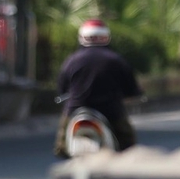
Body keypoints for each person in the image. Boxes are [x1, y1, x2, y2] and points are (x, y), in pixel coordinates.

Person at [55, 19, 141, 156]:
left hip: (75, 109)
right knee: (128, 144)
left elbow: (62, 88)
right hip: (110, 111)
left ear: (82, 37)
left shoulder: (71, 60)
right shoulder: (117, 60)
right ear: (106, 37)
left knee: (61, 147)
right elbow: (132, 90)